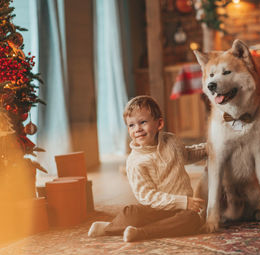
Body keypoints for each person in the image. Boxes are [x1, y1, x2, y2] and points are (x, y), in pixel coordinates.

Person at [88, 95, 207, 242]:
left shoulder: (172, 141)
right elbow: (147, 196)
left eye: (143, 122)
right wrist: (183, 201)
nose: (137, 129)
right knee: (131, 213)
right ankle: (108, 228)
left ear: (159, 123)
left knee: (192, 220)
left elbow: (187, 155)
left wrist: (208, 148)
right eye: (131, 125)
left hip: (180, 210)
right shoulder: (134, 161)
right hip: (154, 209)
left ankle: (142, 232)